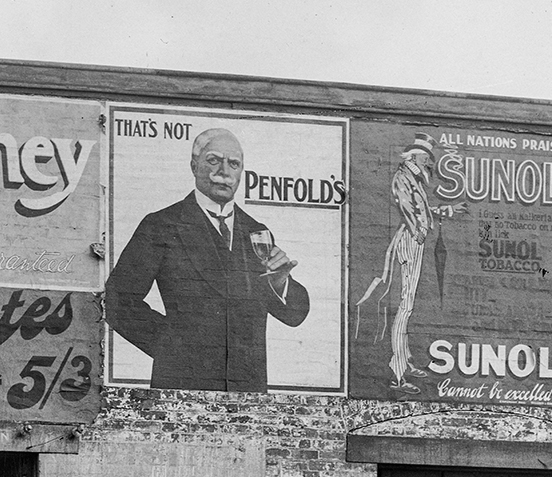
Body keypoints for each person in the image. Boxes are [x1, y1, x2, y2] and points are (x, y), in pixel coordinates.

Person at [104, 125, 309, 392]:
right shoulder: (162, 225)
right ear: (194, 165)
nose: (224, 170)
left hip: (248, 391)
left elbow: (294, 315)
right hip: (180, 385)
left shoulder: (256, 231)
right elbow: (116, 300)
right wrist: (171, 347)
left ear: (241, 172)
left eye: (233, 164)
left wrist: (280, 283)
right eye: (213, 160)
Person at [356, 134, 459, 394]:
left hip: (413, 237)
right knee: (405, 305)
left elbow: (418, 207)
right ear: (413, 156)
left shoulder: (413, 177)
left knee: (408, 304)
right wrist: (419, 230)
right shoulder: (404, 177)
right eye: (425, 156)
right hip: (410, 239)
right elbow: (407, 208)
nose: (428, 161)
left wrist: (434, 216)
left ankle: (406, 360)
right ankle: (398, 372)